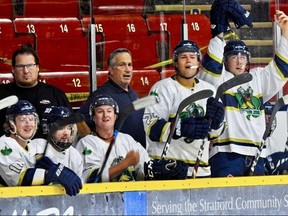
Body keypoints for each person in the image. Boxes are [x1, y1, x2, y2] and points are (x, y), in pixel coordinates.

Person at [198, 0, 288, 176]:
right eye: (233, 56)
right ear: (225, 60)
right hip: (226, 154)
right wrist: (219, 34)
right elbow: (212, 65)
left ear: (248, 60)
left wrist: (285, 32)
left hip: (256, 155)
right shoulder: (218, 79)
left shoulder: (258, 79)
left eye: (242, 56)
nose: (239, 61)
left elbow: (282, 68)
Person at [142, 40, 226, 178]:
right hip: (169, 170)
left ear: (198, 63)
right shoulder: (162, 88)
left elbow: (216, 133)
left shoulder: (209, 90)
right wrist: (180, 128)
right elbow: (150, 126)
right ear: (175, 63)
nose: (188, 60)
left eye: (193, 57)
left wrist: (217, 123)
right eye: (183, 57)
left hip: (201, 170)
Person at [76, 94, 188, 182]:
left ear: (115, 116)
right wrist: (125, 163)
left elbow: (144, 169)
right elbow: (93, 179)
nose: (105, 115)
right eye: (100, 112)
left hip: (130, 200)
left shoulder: (127, 140)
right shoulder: (86, 143)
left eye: (109, 111)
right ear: (93, 118)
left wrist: (161, 169)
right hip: (103, 204)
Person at [0, 100, 82, 196]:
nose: (28, 124)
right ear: (11, 123)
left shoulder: (30, 146)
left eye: (31, 119)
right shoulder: (3, 144)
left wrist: (53, 169)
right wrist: (52, 173)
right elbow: (19, 179)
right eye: (22, 119)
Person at [77, 48, 146, 148]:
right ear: (111, 70)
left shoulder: (133, 93)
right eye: (122, 65)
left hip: (137, 155)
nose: (127, 69)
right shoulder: (102, 94)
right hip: (117, 158)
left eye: (129, 65)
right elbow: (78, 120)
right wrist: (95, 146)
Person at [0, 45, 72, 139]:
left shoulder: (55, 94)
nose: (26, 71)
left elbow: (72, 126)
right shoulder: (2, 93)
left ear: (37, 67)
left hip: (48, 150)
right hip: (8, 151)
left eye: (30, 66)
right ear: (13, 69)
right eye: (20, 66)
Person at [33, 106, 84, 181]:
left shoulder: (75, 155)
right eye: (60, 128)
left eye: (69, 128)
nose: (66, 133)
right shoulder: (37, 145)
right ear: (48, 128)